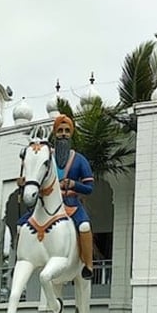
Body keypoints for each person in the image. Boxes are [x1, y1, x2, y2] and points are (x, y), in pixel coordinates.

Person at [52, 114, 95, 279]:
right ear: (55, 133)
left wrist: (73, 184)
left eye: (67, 131)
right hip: (49, 202)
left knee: (84, 226)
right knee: (23, 224)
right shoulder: (47, 158)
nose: (63, 134)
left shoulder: (79, 160)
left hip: (71, 204)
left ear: (71, 134)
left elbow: (89, 188)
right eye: (60, 130)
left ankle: (88, 264)